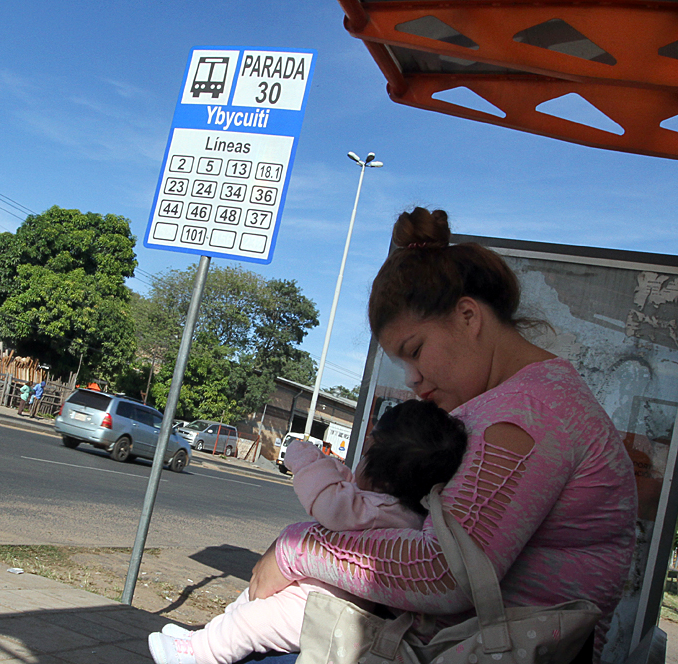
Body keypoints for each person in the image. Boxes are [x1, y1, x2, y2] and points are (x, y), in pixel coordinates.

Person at [246, 208, 638, 663]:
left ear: (468, 316)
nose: (413, 379)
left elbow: (445, 573)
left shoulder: (529, 414)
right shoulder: (516, 401)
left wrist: (300, 546)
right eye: (402, 364)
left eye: (415, 352)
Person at [148, 399, 468, 664]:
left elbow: (329, 500)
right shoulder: (398, 510)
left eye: (366, 452)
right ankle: (206, 638)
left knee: (252, 622)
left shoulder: (382, 508)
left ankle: (200, 654)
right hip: (317, 597)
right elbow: (347, 491)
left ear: (379, 472)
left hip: (316, 609)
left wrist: (304, 459)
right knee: (249, 608)